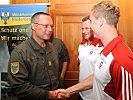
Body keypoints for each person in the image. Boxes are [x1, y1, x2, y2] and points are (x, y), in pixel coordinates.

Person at [57, 1, 133, 100]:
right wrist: (69, 91)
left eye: (91, 21)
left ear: (101, 21)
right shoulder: (106, 51)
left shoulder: (121, 59)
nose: (91, 27)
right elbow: (98, 77)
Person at [7, 12, 63, 100]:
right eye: (45, 26)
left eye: (51, 26)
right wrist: (49, 94)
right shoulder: (20, 52)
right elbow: (18, 86)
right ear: (33, 26)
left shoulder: (52, 48)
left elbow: (55, 75)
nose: (50, 29)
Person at [78, 15, 103, 100]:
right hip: (81, 92)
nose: (84, 31)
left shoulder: (102, 46)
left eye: (87, 28)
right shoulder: (81, 45)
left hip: (96, 95)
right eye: (82, 29)